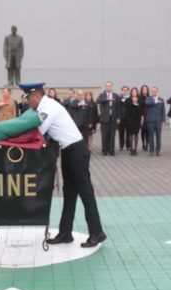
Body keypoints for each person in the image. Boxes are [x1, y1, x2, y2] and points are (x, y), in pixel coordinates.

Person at [19, 82, 106, 248]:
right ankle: (65, 233)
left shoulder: (48, 108)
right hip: (68, 151)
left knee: (86, 192)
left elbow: (38, 133)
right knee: (69, 193)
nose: (28, 102)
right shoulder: (45, 106)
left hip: (76, 152)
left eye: (29, 98)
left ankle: (97, 232)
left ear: (36, 96)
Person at [96, 81, 120, 156]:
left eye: (110, 86)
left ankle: (111, 150)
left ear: (112, 87)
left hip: (113, 118)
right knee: (104, 135)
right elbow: (97, 101)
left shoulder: (116, 95)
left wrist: (118, 117)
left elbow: (118, 107)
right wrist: (107, 99)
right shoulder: (102, 95)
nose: (108, 87)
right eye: (107, 86)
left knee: (112, 135)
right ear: (105, 87)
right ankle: (104, 150)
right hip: (104, 119)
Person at [145, 86, 166, 156]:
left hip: (158, 121)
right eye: (153, 91)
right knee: (151, 136)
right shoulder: (149, 98)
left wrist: (163, 120)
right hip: (150, 121)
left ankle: (158, 150)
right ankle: (151, 150)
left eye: (155, 91)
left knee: (158, 136)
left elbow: (163, 111)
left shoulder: (161, 99)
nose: (154, 92)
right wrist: (155, 102)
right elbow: (147, 103)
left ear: (157, 92)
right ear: (151, 92)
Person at [125, 87, 143, 155]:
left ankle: (135, 149)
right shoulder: (128, 99)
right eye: (133, 92)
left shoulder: (140, 100)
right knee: (130, 134)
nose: (134, 93)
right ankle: (131, 149)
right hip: (130, 118)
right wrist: (133, 103)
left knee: (136, 134)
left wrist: (142, 118)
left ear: (137, 92)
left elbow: (141, 110)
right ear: (131, 93)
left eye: (135, 92)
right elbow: (127, 106)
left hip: (137, 119)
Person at [117, 85, 130, 151]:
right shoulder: (119, 98)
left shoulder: (130, 98)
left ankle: (128, 146)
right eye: (123, 90)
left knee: (128, 133)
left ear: (128, 91)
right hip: (121, 118)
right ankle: (121, 146)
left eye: (126, 90)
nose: (125, 91)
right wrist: (118, 117)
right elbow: (117, 108)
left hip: (128, 118)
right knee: (121, 133)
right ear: (122, 91)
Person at [139, 85, 151, 152]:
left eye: (146, 89)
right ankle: (143, 143)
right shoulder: (140, 98)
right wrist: (141, 116)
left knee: (148, 131)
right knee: (143, 130)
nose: (144, 90)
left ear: (147, 90)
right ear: (141, 90)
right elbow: (139, 108)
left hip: (149, 115)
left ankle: (147, 144)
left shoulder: (150, 97)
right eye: (143, 89)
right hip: (142, 116)